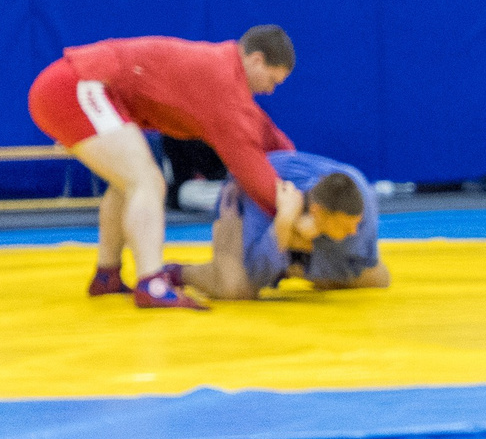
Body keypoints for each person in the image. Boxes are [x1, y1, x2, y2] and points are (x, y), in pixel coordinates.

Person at [24, 26, 300, 311]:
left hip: (75, 85)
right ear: (255, 60)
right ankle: (152, 283)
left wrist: (298, 163)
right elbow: (250, 167)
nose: (270, 90)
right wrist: (292, 206)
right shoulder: (223, 81)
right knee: (147, 182)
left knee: (128, 182)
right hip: (79, 85)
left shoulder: (221, 71)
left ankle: (107, 275)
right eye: (271, 80)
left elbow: (258, 126)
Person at [175, 149, 391, 301]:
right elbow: (256, 273)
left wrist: (297, 236)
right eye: (345, 227)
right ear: (318, 211)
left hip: (304, 221)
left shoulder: (361, 207)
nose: (353, 231)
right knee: (235, 288)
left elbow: (355, 265)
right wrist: (285, 222)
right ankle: (178, 272)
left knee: (376, 278)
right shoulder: (268, 195)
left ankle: (291, 265)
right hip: (244, 192)